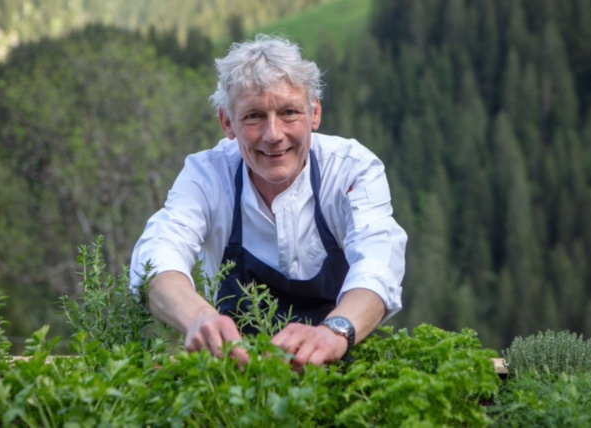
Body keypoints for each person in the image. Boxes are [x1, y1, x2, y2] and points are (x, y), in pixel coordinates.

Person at [130, 34, 407, 369]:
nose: (273, 134)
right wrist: (199, 317)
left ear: (315, 113)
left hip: (346, 371)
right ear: (227, 122)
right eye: (253, 116)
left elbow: (379, 261)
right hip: (237, 375)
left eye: (289, 112)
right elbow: (157, 255)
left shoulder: (350, 169)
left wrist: (334, 332)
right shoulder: (207, 175)